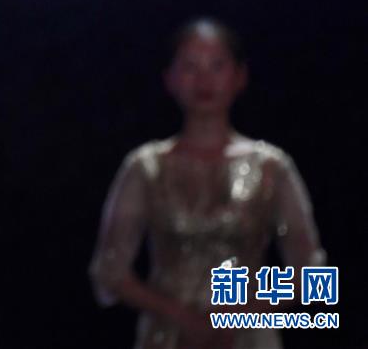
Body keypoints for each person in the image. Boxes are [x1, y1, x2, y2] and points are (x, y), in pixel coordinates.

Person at [89, 18, 325, 349]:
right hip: (168, 337)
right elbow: (110, 269)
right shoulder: (146, 168)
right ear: (170, 78)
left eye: (216, 66)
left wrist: (244, 314)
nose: (203, 80)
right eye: (190, 66)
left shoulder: (272, 167)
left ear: (239, 76)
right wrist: (180, 316)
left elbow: (311, 272)